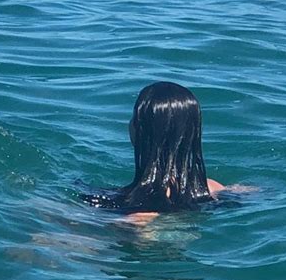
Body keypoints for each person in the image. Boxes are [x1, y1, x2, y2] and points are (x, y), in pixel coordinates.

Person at [81, 81, 232, 217]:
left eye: (135, 117)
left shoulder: (135, 207)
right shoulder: (211, 188)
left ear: (140, 132)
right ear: (193, 133)